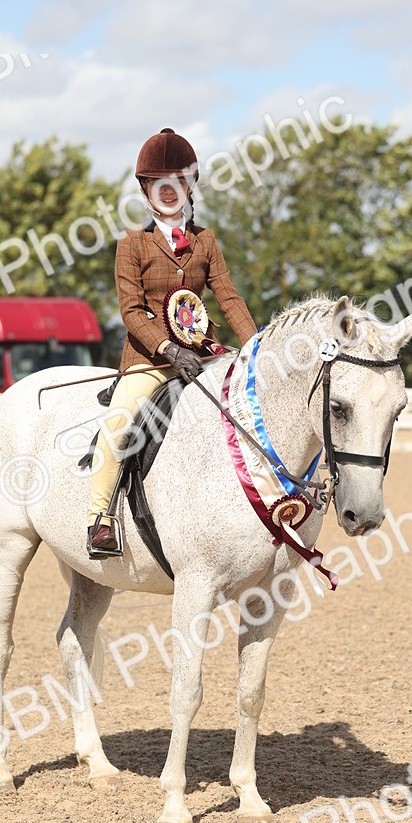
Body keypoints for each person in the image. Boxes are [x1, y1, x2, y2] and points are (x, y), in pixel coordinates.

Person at [87, 127, 258, 557]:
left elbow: (227, 294)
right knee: (119, 423)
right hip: (150, 359)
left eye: (177, 181)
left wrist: (256, 346)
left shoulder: (205, 240)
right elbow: (131, 311)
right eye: (158, 183)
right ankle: (101, 518)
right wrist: (168, 350)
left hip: (203, 353)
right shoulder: (132, 242)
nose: (168, 191)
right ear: (146, 189)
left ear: (189, 185)